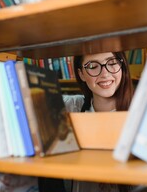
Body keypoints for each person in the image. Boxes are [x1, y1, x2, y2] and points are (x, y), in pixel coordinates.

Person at [40, 51, 134, 192]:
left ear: (122, 66)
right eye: (93, 66)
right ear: (81, 74)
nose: (105, 74)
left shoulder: (141, 112)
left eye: (112, 63)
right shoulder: (73, 107)